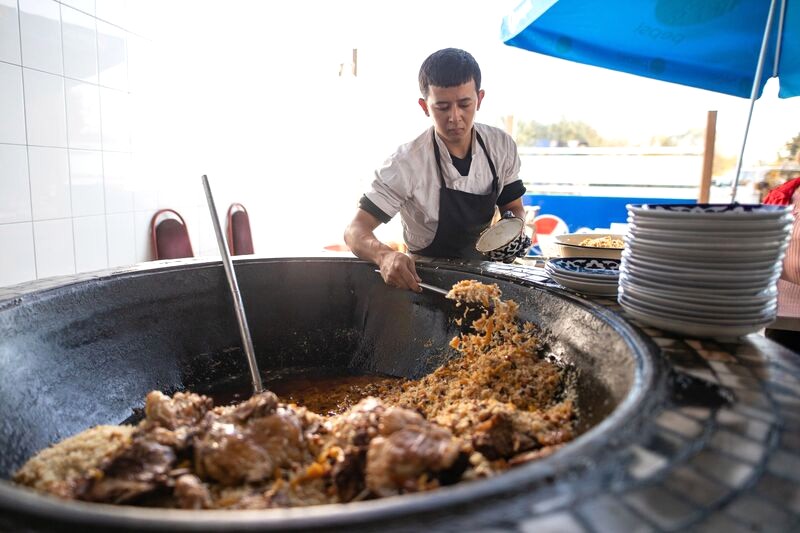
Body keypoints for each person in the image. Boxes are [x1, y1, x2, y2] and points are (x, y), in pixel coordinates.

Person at [343, 48, 529, 292]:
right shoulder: (406, 163)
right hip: (425, 282)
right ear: (424, 106)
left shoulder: (500, 146)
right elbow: (355, 230)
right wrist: (385, 256)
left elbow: (513, 207)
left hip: (486, 277)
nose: (455, 117)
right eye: (442, 107)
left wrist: (511, 231)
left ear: (480, 99)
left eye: (465, 104)